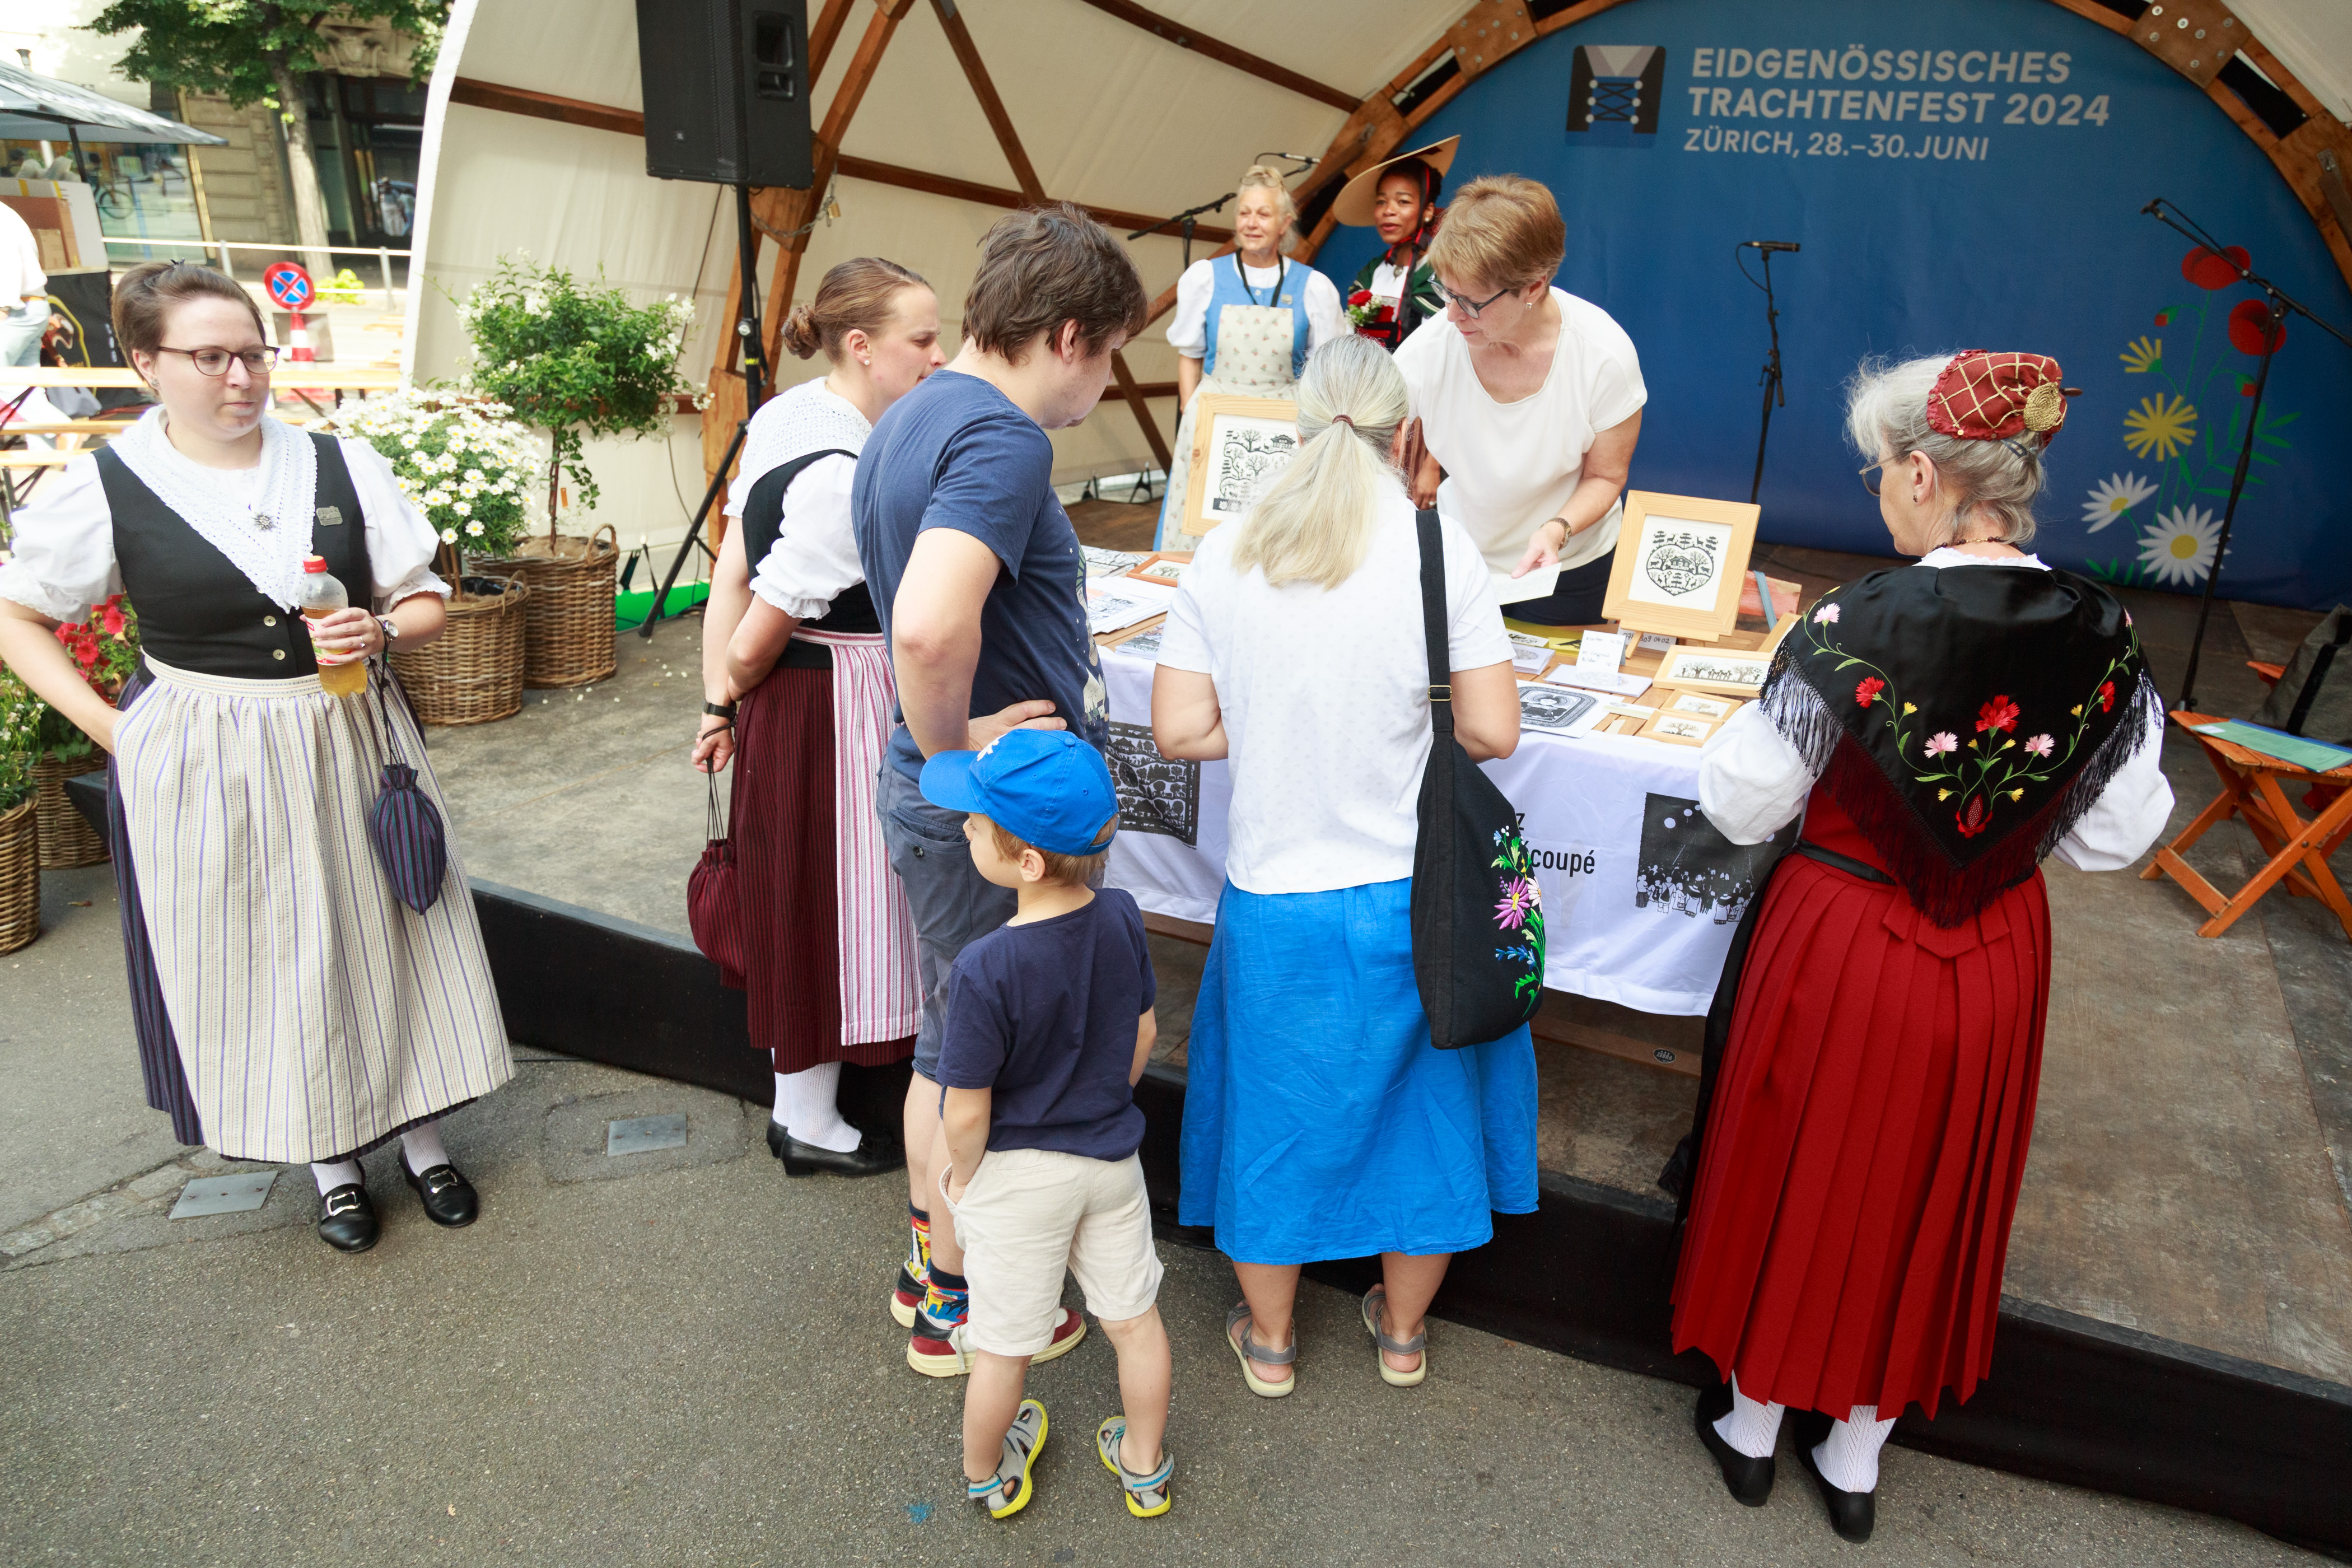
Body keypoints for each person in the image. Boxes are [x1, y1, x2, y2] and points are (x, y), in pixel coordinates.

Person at [1667, 352, 2174, 1543]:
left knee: (1799, 1163)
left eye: (1877, 471)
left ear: (1921, 472)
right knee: (1934, 1186)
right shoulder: (2105, 630)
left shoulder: (1854, 620)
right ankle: (1855, 1454)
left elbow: (1742, 803)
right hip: (1994, 949)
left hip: (1841, 932)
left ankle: (1750, 1429)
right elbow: (2115, 840)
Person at [0, 260, 511, 1253]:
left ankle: (426, 1142)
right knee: (281, 949)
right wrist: (118, 730)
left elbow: (428, 598)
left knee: (395, 926)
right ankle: (331, 1166)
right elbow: (17, 613)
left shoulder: (337, 459)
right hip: (209, 751)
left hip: (352, 734)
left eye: (252, 353)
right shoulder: (110, 484)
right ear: (147, 363)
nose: (240, 378)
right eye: (209, 358)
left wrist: (384, 632)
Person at [1152, 334, 1533, 1395]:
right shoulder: (1436, 548)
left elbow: (1180, 731)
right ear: (1406, 432)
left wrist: (1274, 727)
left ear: (1294, 426)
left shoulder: (1224, 552)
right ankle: (1402, 1336)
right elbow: (1495, 729)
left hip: (1277, 899)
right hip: (1415, 902)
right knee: (1423, 1117)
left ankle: (1270, 1344)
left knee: (1271, 1125)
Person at [855, 202, 1148, 1375]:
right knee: (979, 1056)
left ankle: (939, 1268)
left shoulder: (913, 406)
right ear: (1070, 333)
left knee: (950, 1036)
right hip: (991, 808)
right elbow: (927, 628)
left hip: (950, 794)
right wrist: (958, 755)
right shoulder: (1006, 438)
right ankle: (969, 1293)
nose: (1110, 381)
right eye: (1116, 352)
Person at [691, 257, 943, 1179]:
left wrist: (719, 702)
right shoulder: (843, 470)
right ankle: (807, 1118)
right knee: (836, 892)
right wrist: (730, 686)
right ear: (864, 347)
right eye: (922, 337)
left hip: (795, 696)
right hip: (833, 694)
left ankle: (810, 1102)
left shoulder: (786, 415)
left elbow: (729, 571)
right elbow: (764, 619)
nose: (939, 352)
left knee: (801, 887)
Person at [923, 730, 1172, 1521]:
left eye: (977, 820)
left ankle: (988, 1472)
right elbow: (1141, 1037)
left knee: (1003, 1345)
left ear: (1026, 862)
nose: (964, 826)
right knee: (1134, 1322)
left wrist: (961, 1177)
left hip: (1020, 1175)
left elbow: (965, 1107)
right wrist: (1100, 1094)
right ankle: (1144, 1464)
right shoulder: (1124, 919)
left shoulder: (985, 967)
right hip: (1110, 1160)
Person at [1394, 175, 1644, 626]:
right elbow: (1367, 439)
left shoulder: (1603, 354)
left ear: (1533, 286)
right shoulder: (1429, 347)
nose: (1450, 315)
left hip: (1567, 568)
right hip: (1460, 559)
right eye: (1446, 293)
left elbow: (1607, 476)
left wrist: (1556, 530)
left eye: (1470, 302)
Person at [1154, 165, 1347, 552]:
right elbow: (1190, 357)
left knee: (1273, 533)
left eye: (1263, 214)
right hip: (1215, 417)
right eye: (1245, 213)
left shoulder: (1312, 286)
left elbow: (1325, 370)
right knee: (1205, 533)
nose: (1252, 223)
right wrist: (1194, 416)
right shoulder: (1206, 277)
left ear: (1284, 223)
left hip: (1282, 423)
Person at [1331, 137, 1456, 352]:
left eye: (1403, 201)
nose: (1388, 211)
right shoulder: (1371, 273)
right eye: (1381, 202)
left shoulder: (1445, 272)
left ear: (1428, 211)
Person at [0, 197, 50, 368]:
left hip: (18, 311)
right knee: (25, 385)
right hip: (28, 308)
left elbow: (9, 264)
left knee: (8, 381)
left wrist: (2, 308)